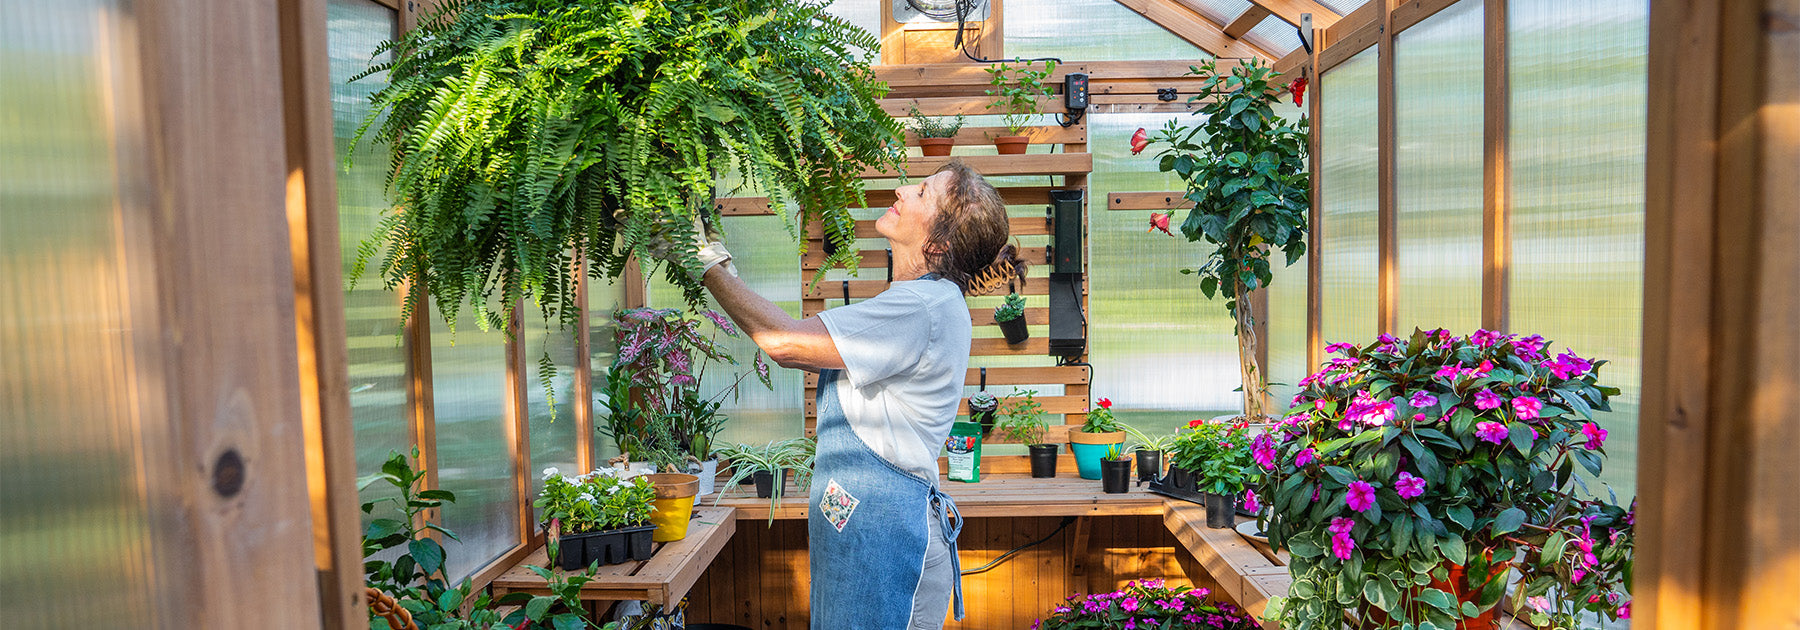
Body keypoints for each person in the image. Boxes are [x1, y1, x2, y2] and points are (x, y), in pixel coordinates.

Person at [690, 161, 1027, 629]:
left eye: (923, 193)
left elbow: (785, 343)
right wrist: (722, 264)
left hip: (887, 544)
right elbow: (799, 344)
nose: (902, 189)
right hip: (867, 539)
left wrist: (706, 263)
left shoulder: (921, 307)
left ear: (939, 243)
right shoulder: (915, 303)